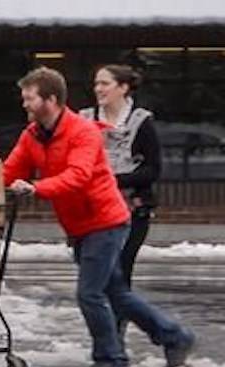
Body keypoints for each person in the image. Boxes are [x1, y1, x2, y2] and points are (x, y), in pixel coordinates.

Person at [3, 67, 195, 367]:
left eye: (29, 98)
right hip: (78, 225)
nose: (24, 104)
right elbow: (10, 170)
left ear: (50, 100)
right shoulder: (33, 136)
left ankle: (110, 359)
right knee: (116, 293)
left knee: (90, 293)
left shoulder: (82, 132)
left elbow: (78, 177)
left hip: (105, 220)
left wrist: (37, 188)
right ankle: (174, 336)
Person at [79, 64, 162, 288]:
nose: (98, 89)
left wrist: (114, 181)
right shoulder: (84, 120)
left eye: (105, 83)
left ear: (123, 87)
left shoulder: (141, 121)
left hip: (131, 209)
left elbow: (153, 169)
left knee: (120, 269)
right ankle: (104, 318)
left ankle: (118, 321)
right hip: (91, 208)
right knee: (93, 272)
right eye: (96, 83)